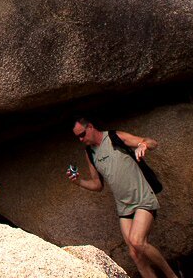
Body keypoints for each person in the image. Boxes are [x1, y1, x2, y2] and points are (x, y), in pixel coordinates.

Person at [69, 118, 177, 278]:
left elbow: (152, 142)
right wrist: (78, 182)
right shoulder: (90, 153)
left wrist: (143, 145)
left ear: (91, 127)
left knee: (137, 241)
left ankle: (172, 275)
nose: (81, 139)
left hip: (142, 198)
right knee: (135, 254)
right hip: (124, 207)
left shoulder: (114, 137)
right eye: (77, 137)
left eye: (82, 134)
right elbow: (98, 184)